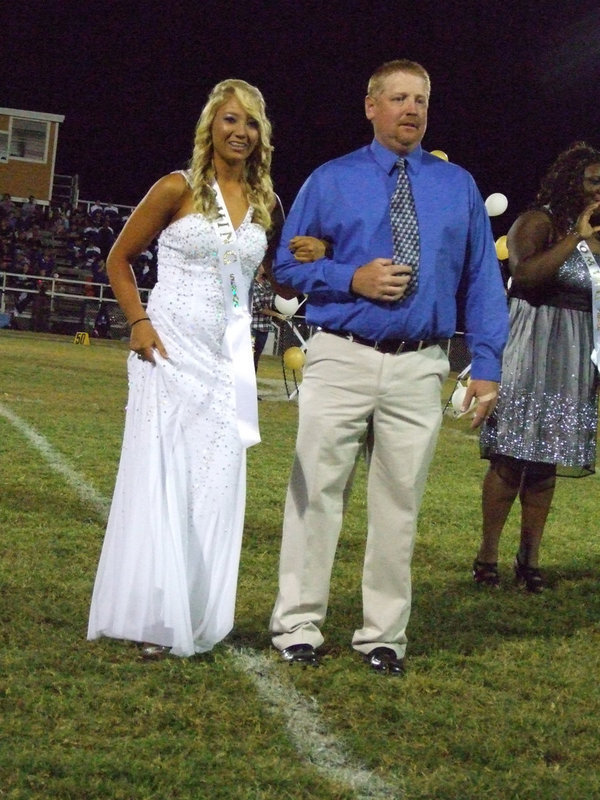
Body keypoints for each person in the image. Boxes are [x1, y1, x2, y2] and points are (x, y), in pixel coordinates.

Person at [269, 59, 509, 675]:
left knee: (399, 504)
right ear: (371, 106)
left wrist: (486, 364)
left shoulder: (456, 187)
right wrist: (350, 275)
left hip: (421, 364)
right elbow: (287, 268)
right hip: (340, 355)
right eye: (399, 97)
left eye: (421, 99)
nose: (412, 109)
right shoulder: (330, 179)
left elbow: (484, 279)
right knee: (315, 495)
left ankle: (383, 636)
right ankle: (298, 623)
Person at [88, 78, 281, 659]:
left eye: (250, 122)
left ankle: (197, 611)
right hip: (167, 353)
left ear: (260, 134)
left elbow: (254, 281)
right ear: (210, 127)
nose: (239, 132)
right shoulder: (176, 188)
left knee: (215, 485)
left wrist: (309, 259)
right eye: (229, 120)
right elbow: (119, 259)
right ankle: (154, 615)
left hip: (228, 363)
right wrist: (138, 323)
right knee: (164, 479)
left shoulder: (266, 202)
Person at [474, 142, 600, 592]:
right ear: (570, 181)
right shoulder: (538, 220)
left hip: (575, 354)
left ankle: (530, 559)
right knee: (511, 459)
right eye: (593, 181)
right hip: (532, 346)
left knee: (546, 465)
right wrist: (576, 237)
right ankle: (487, 555)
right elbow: (524, 277)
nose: (599, 190)